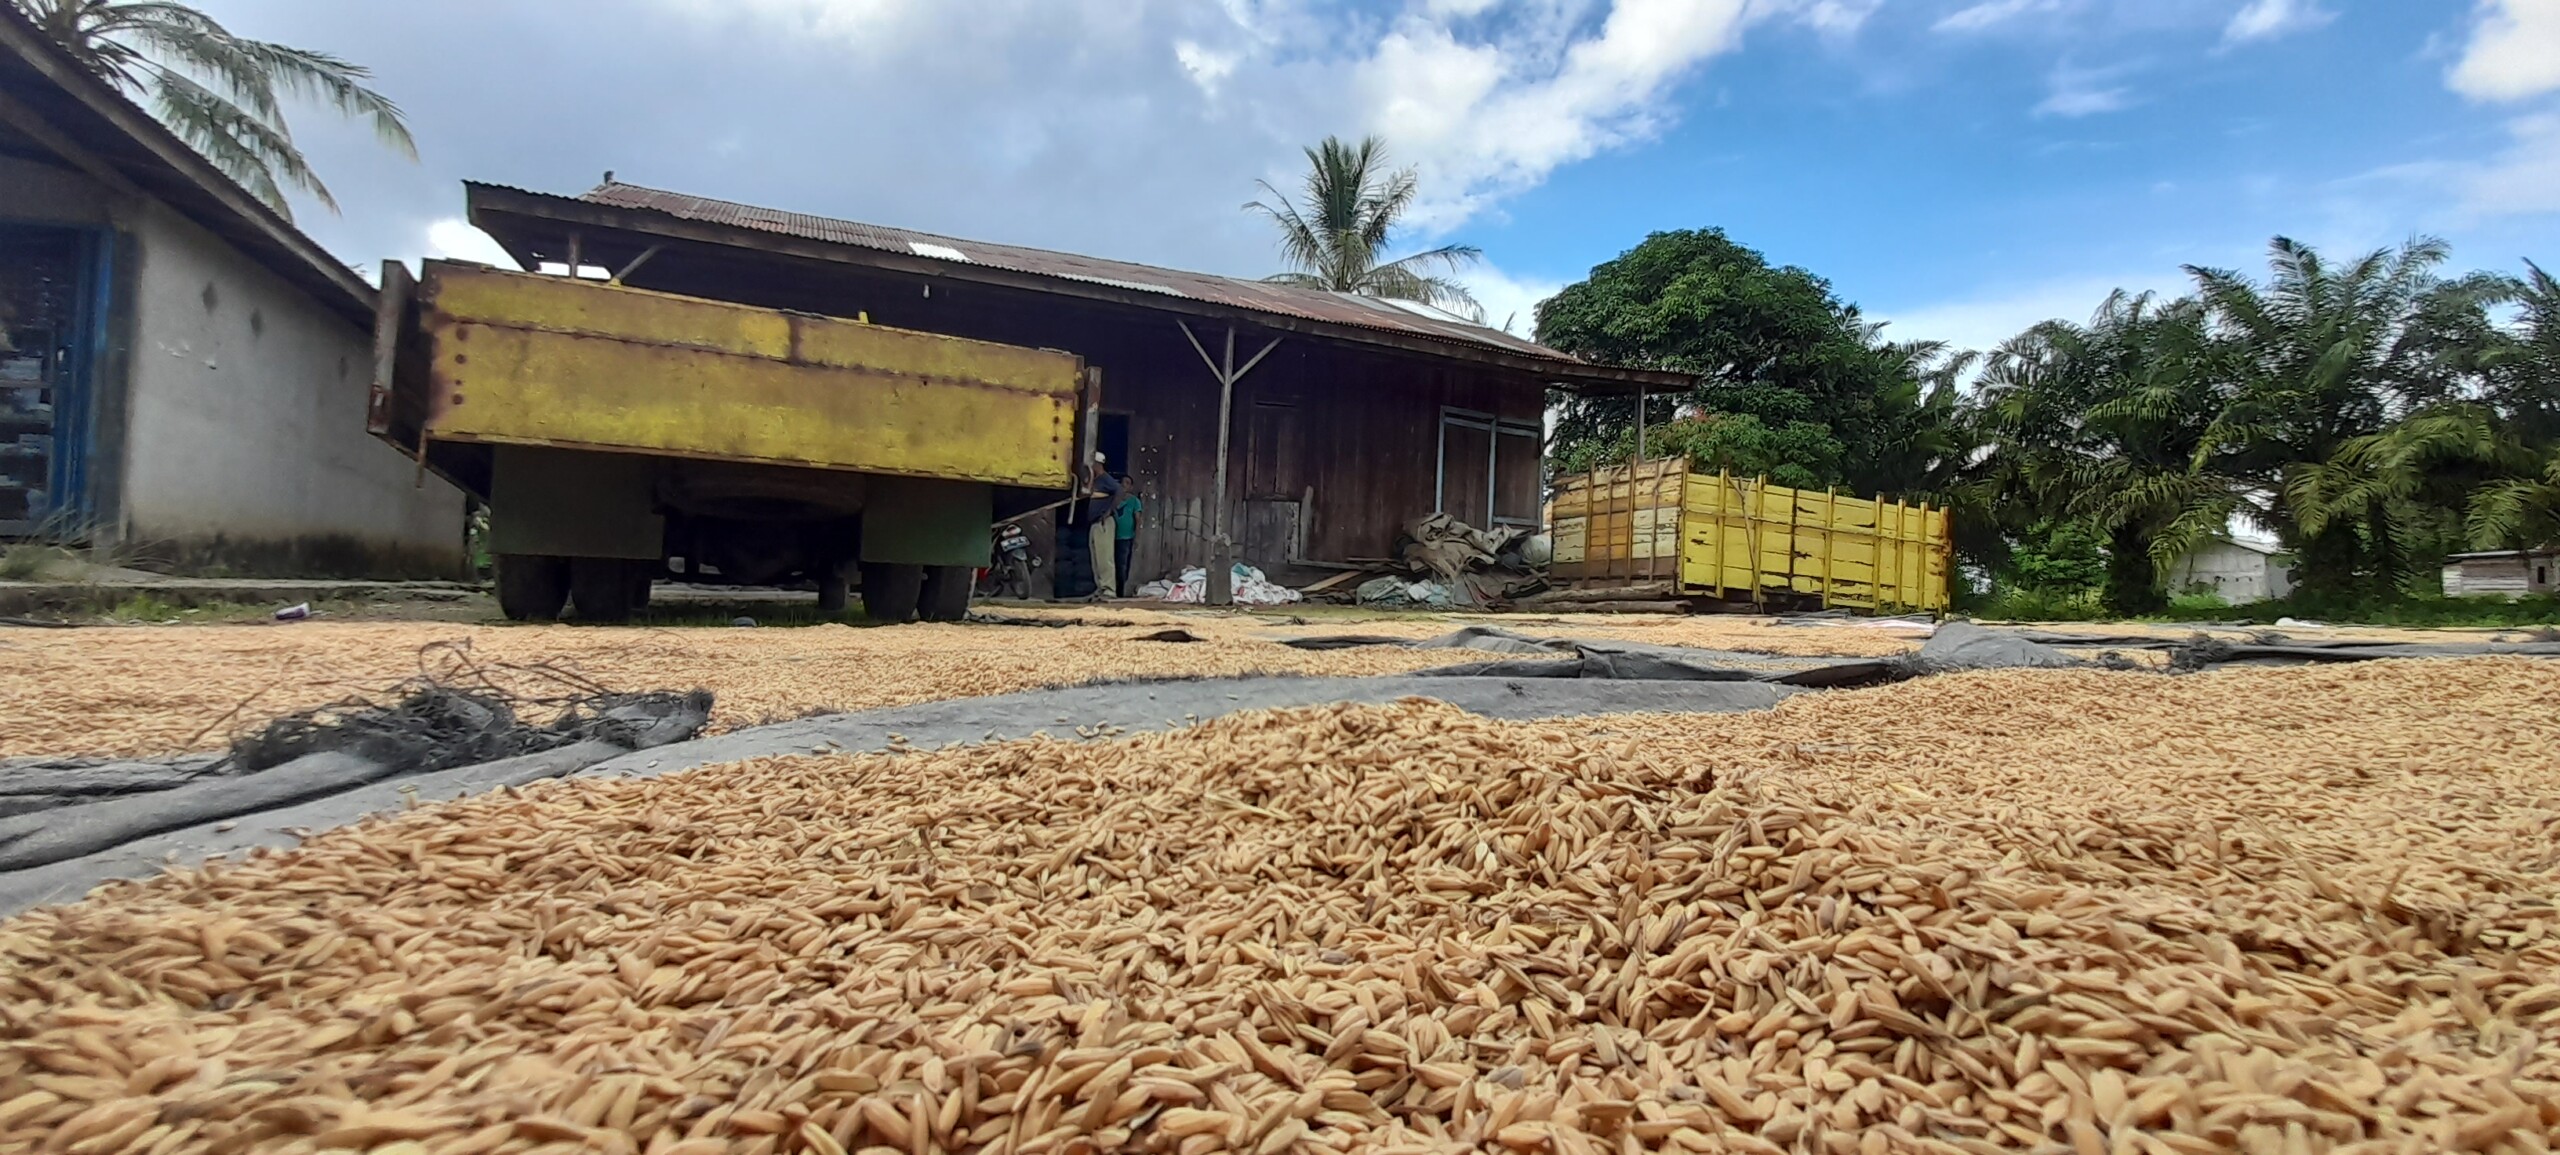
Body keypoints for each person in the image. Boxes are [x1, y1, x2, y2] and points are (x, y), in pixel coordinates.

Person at [1084, 453, 1123, 599]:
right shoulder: (1095, 480)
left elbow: (1119, 490)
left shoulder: (1106, 479)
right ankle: (1100, 588)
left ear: (1098, 464)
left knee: (1105, 558)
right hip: (1095, 523)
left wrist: (1109, 511)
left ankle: (1109, 590)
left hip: (1103, 522)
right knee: (1096, 558)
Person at [1111, 476, 1141, 597]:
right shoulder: (1114, 500)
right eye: (1122, 482)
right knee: (1111, 564)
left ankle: (1120, 592)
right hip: (1112, 536)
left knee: (1122, 565)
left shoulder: (1134, 501)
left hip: (1126, 538)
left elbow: (1138, 520)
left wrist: (1137, 537)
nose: (1124, 485)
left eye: (1127, 483)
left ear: (1131, 487)